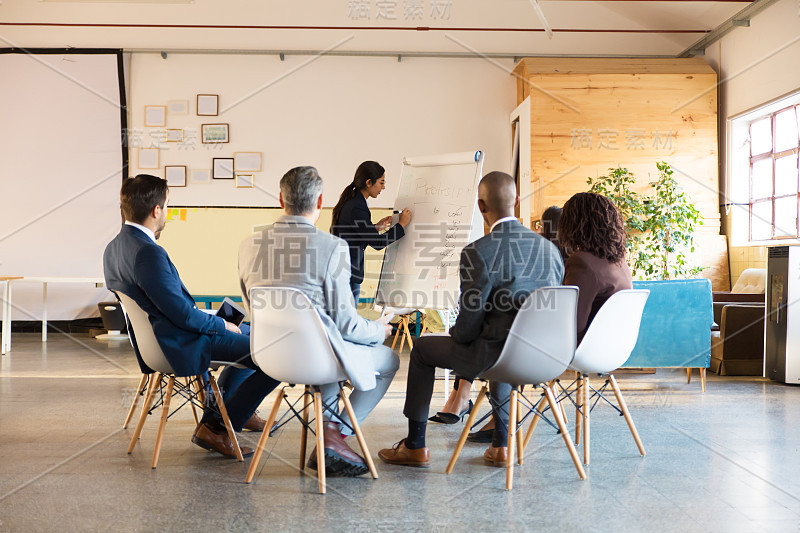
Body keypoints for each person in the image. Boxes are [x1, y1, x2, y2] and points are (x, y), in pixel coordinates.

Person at [378, 171, 564, 468]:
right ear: (516, 201)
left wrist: (459, 332)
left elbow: (467, 327)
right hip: (546, 356)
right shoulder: (550, 250)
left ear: (480, 206)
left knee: (425, 349)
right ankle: (501, 445)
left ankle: (414, 445)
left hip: (497, 356)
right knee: (504, 341)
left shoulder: (479, 252)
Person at [239, 166, 400, 477]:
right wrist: (378, 330)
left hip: (271, 359)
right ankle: (335, 434)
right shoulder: (331, 248)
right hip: (318, 357)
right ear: (321, 201)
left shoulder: (249, 246)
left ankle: (329, 431)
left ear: (280, 200)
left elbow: (252, 308)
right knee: (388, 359)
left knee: (326, 345)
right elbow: (347, 326)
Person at [103, 174, 279, 459]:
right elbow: (183, 316)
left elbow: (165, 306)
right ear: (156, 210)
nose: (167, 212)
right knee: (274, 353)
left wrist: (214, 319)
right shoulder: (148, 253)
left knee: (250, 334)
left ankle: (227, 415)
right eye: (168, 205)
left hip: (160, 340)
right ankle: (219, 426)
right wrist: (219, 323)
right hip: (178, 343)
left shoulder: (114, 248)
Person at [330, 161, 412, 301]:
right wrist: (401, 225)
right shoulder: (357, 206)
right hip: (347, 275)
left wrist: (374, 228)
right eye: (381, 182)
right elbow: (378, 243)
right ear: (369, 182)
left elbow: (353, 234)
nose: (384, 187)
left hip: (343, 273)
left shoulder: (353, 202)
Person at [558, 192, 632, 343]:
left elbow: (574, 325)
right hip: (616, 344)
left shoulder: (582, 262)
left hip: (588, 347)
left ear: (574, 224)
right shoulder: (620, 262)